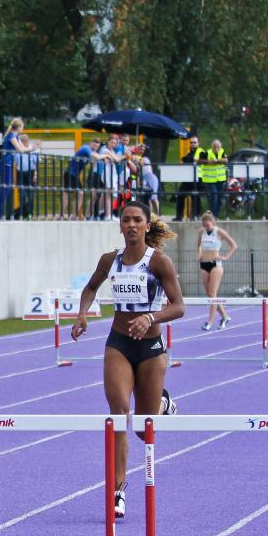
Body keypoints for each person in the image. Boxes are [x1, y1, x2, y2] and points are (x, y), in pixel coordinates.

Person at [71, 200, 183, 518]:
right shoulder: (110, 260)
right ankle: (118, 491)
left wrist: (150, 317)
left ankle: (162, 404)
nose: (131, 225)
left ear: (147, 225)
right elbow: (91, 287)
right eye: (126, 220)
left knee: (143, 428)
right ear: (120, 226)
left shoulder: (158, 262)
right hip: (118, 344)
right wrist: (82, 315)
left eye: (137, 220)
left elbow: (179, 306)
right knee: (119, 414)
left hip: (150, 350)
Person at [196, 212, 237, 330]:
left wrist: (225, 257)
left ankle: (209, 322)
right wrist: (198, 255)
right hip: (204, 264)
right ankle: (224, 316)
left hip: (215, 265)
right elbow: (198, 245)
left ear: (212, 222)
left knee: (213, 294)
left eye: (208, 225)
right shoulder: (201, 232)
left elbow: (234, 245)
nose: (206, 227)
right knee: (209, 294)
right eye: (204, 225)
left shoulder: (219, 232)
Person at [0, 118, 37, 219]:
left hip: (9, 164)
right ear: (19, 127)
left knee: (7, 188)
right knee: (5, 188)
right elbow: (20, 149)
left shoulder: (15, 136)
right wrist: (32, 148)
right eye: (22, 127)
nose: (23, 128)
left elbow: (23, 149)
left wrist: (31, 149)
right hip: (5, 164)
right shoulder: (11, 136)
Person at [174, 135, 201, 221]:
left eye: (194, 142)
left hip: (197, 179)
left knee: (195, 197)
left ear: (198, 143)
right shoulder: (189, 152)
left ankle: (195, 215)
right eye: (191, 142)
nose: (192, 144)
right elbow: (186, 160)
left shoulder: (201, 152)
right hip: (187, 179)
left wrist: (186, 159)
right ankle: (179, 216)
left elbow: (191, 159)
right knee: (180, 195)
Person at [199, 139, 228, 217]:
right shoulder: (207, 152)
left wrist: (216, 161)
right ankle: (212, 216)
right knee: (214, 196)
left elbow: (225, 160)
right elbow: (200, 161)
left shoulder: (222, 152)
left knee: (219, 198)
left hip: (220, 179)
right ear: (212, 147)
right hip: (210, 179)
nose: (216, 149)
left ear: (220, 147)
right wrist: (208, 162)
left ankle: (216, 215)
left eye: (218, 147)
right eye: (214, 147)